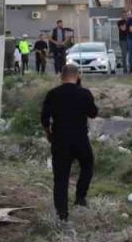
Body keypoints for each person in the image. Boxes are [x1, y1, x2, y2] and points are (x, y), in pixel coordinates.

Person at [39, 64, 97, 221]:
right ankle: (80, 197)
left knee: (61, 177)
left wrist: (49, 134)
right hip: (80, 140)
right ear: (78, 76)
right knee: (88, 165)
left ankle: (62, 214)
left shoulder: (53, 94)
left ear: (61, 76)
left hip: (60, 140)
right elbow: (93, 113)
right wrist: (81, 87)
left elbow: (44, 119)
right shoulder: (84, 93)